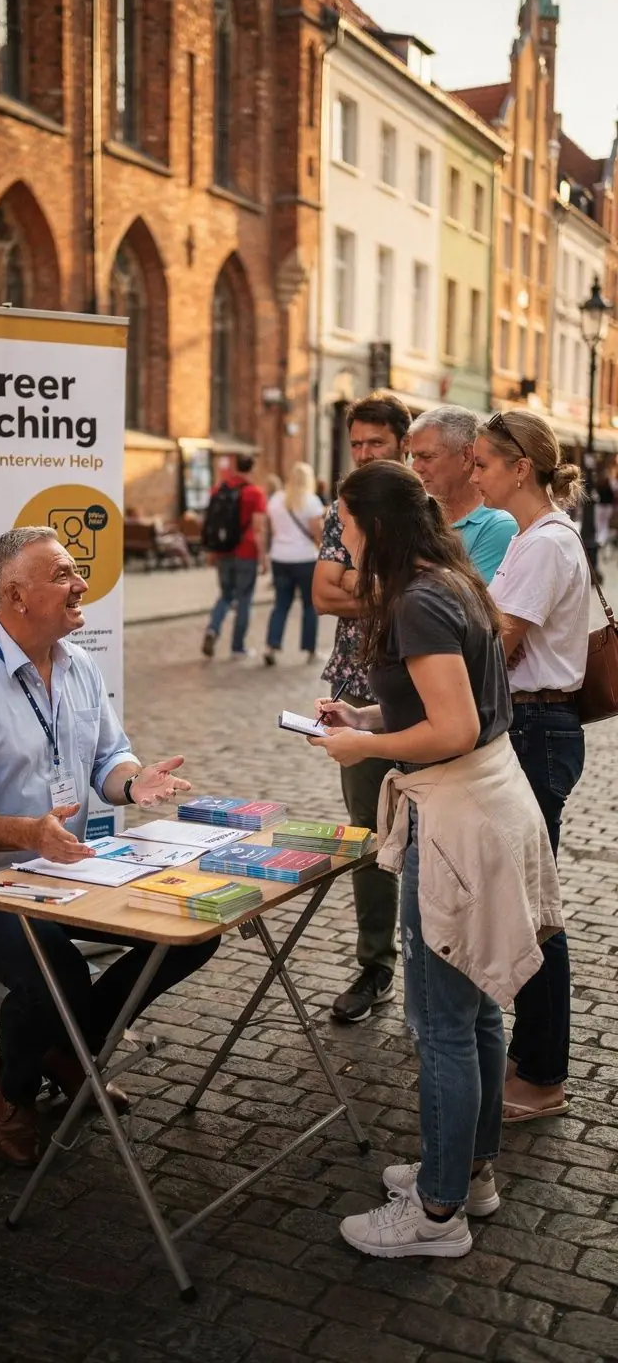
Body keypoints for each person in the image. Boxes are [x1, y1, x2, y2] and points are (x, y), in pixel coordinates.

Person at [310, 462, 561, 1259]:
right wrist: (367, 712)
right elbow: (450, 706)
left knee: (443, 1025)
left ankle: (436, 1213)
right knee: (478, 1007)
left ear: (374, 527)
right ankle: (470, 1172)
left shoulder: (417, 600)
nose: (340, 542)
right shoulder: (448, 581)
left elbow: (450, 728)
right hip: (485, 803)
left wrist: (366, 743)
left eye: (345, 526)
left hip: (457, 819)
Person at [0, 527, 219, 1166]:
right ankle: (15, 1087)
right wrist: (25, 832)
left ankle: (68, 1047)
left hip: (62, 872)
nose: (81, 584)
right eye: (62, 574)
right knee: (58, 970)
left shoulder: (78, 663)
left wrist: (135, 781)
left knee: (194, 927)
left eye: (75, 569)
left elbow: (109, 757)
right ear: (16, 596)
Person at [474, 411, 589, 1124]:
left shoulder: (544, 543)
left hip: (537, 729)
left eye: (484, 461)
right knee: (525, 900)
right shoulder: (529, 538)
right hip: (531, 726)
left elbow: (501, 643)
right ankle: (531, 1054)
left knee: (532, 910)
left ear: (521, 467)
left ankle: (544, 1073)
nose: (476, 472)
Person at [312, 392, 411, 1022]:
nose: (365, 455)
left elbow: (437, 592)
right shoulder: (338, 510)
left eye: (376, 444)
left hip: (424, 691)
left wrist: (365, 584)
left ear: (402, 443)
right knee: (370, 836)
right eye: (357, 445)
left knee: (436, 835)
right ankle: (375, 967)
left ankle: (438, 966)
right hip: (357, 687)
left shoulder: (420, 512)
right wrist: (393, 589)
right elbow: (323, 592)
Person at [409, 407, 517, 582]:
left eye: (426, 457)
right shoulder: (415, 515)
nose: (416, 467)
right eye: (414, 457)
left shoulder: (498, 526)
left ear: (467, 457)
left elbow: (465, 604)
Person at [202, 455, 267, 660]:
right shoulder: (255, 493)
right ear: (252, 468)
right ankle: (238, 648)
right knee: (244, 599)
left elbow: (211, 522)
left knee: (225, 595)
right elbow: (258, 527)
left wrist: (212, 552)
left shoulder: (219, 489)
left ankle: (213, 629)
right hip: (246, 552)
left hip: (223, 551)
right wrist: (263, 557)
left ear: (235, 467)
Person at [264, 462, 325, 666]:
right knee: (309, 604)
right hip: (305, 558)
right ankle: (309, 649)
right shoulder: (311, 501)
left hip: (280, 557)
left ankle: (271, 646)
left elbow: (272, 529)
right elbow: (317, 532)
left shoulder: (276, 500)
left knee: (281, 604)